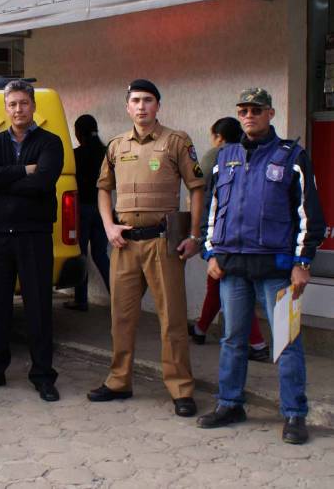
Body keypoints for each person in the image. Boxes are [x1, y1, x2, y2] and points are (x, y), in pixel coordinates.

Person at [197, 89, 325, 445]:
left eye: (256, 110)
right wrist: (210, 254)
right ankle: (230, 404)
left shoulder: (292, 157)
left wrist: (302, 262)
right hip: (232, 267)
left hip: (278, 268)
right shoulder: (226, 156)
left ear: (270, 113)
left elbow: (309, 214)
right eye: (243, 110)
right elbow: (211, 208)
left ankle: (294, 414)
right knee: (232, 340)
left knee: (286, 342)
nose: (249, 116)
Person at [88, 79, 204, 418]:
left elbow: (196, 188)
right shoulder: (115, 146)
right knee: (121, 318)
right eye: (136, 100)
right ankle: (119, 381)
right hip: (124, 245)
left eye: (148, 100)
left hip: (162, 243)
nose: (141, 106)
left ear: (158, 105)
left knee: (172, 321)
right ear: (127, 107)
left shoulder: (176, 142)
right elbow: (103, 189)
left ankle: (180, 388)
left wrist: (195, 235)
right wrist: (108, 225)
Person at [0, 80, 64, 401]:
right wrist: (24, 170)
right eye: (12, 105)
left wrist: (5, 178)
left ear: (33, 106)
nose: (18, 109)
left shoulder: (51, 142)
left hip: (33, 236)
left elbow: (44, 182)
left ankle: (42, 376)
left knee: (38, 307)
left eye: (23, 103)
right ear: (6, 108)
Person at [188, 117, 269, 362]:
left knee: (230, 287)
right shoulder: (253, 154)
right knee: (222, 285)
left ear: (219, 137)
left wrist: (200, 233)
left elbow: (200, 194)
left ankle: (256, 344)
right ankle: (202, 329)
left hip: (222, 236)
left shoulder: (215, 156)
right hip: (248, 236)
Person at [66, 114, 111, 312]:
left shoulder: (75, 155)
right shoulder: (106, 152)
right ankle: (119, 299)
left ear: (78, 132)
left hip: (82, 209)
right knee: (101, 255)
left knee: (81, 254)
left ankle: (80, 300)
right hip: (103, 209)